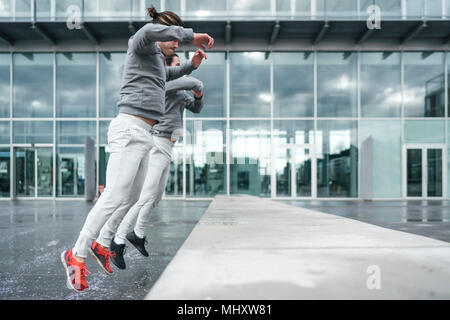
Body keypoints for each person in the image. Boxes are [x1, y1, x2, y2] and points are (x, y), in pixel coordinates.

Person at [61, 7, 214, 292]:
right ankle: (76, 253)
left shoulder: (154, 59)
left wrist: (191, 66)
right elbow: (149, 31)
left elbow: (167, 75)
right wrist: (193, 35)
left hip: (145, 133)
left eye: (178, 41)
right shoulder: (142, 42)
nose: (175, 44)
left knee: (133, 195)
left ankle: (102, 244)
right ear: (163, 29)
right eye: (173, 38)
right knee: (115, 194)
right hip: (129, 128)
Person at [100, 53, 204, 269]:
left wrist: (199, 96)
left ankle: (137, 234)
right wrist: (196, 80)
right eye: (176, 66)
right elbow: (193, 81)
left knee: (156, 196)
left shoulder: (181, 92)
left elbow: (196, 107)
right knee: (144, 195)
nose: (180, 69)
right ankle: (117, 241)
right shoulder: (162, 84)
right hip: (156, 142)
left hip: (168, 146)